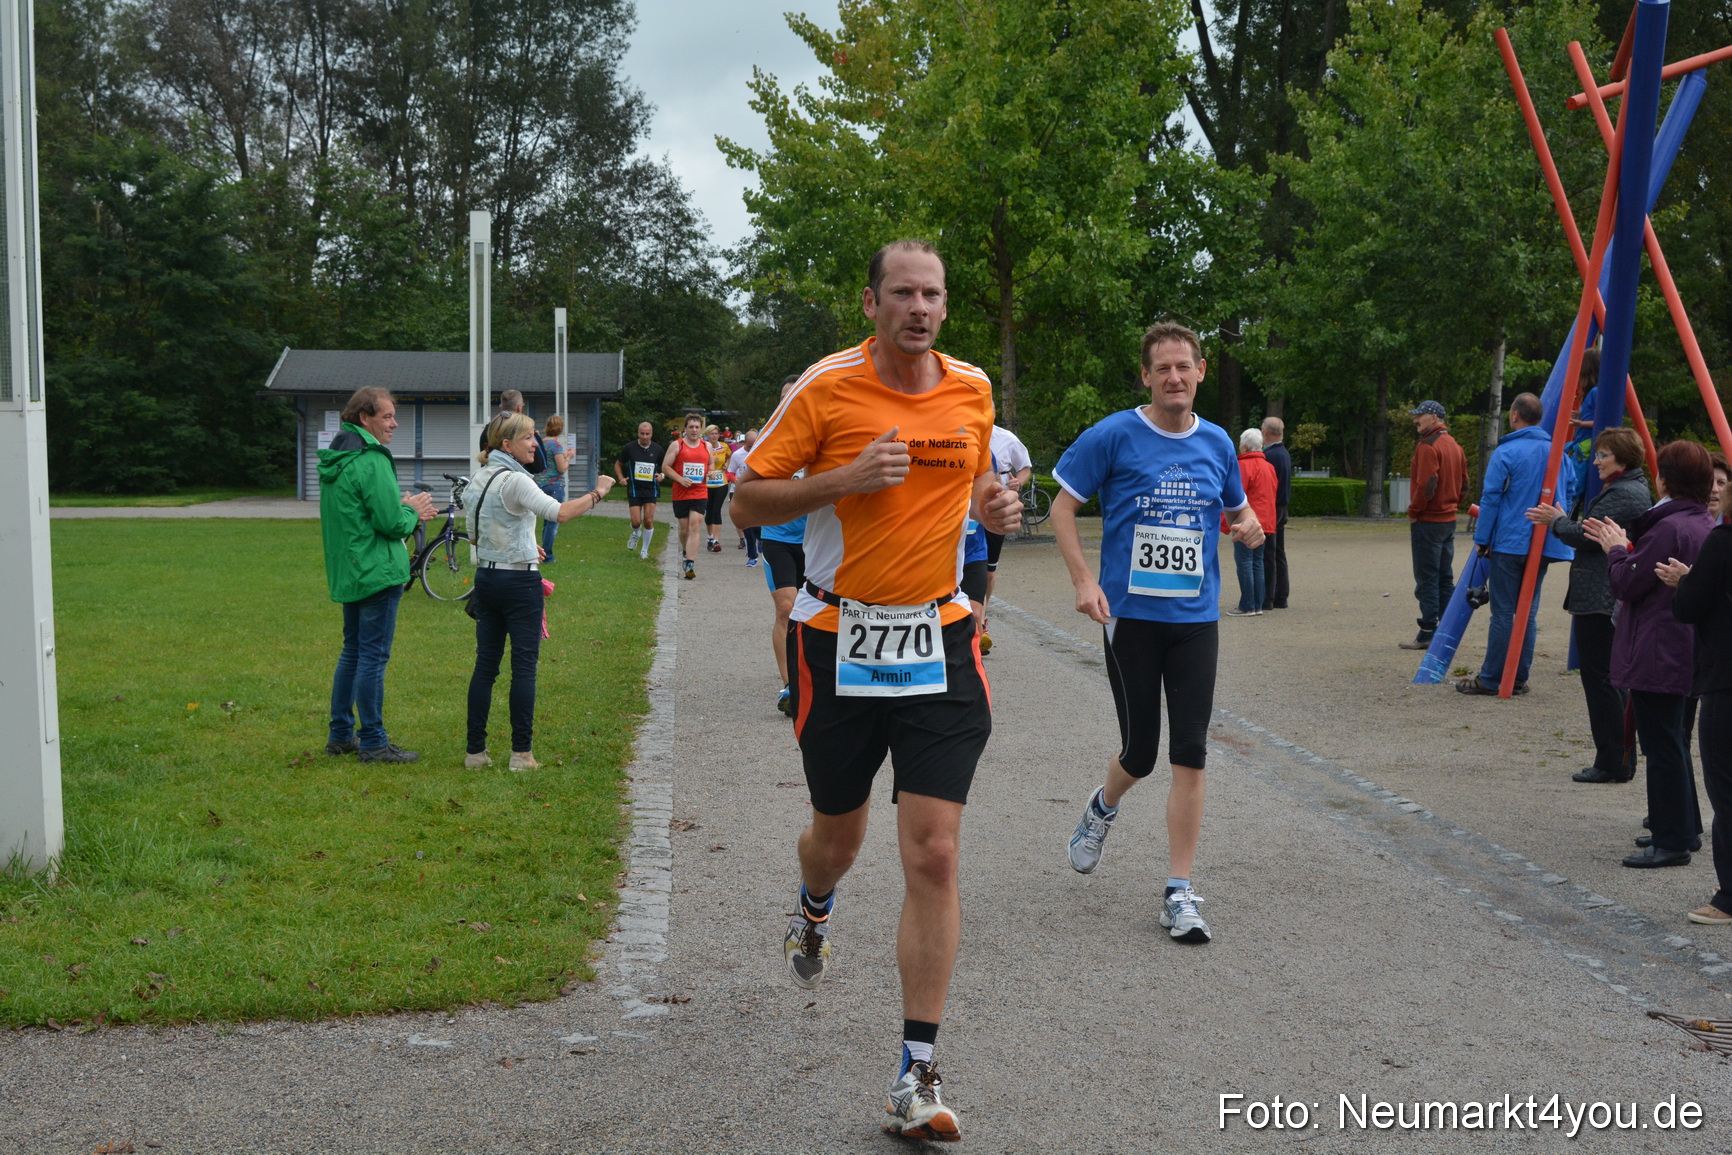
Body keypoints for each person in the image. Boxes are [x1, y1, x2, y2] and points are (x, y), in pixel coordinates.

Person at [731, 239, 1020, 1142]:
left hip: (939, 637)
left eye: (933, 293)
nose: (920, 308)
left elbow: (973, 479)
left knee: (933, 851)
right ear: (870, 302)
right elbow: (744, 502)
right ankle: (814, 905)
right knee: (838, 838)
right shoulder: (825, 388)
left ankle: (915, 1072)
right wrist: (845, 480)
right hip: (837, 642)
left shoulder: (971, 388)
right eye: (903, 293)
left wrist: (991, 508)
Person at [1051, 321, 1264, 948]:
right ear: (1147, 376)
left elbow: (1236, 510)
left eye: (1185, 366)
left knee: (1190, 752)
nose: (1175, 377)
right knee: (1140, 752)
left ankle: (1179, 890)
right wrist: (1085, 581)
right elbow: (1062, 507)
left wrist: (1249, 526)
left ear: (1200, 372)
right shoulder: (1115, 435)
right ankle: (1102, 808)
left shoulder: (1219, 442)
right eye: (1163, 368)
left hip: (1196, 622)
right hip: (1132, 623)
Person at [1584, 441, 1715, 868]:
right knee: (1673, 740)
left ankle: (1672, 838)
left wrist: (1617, 549)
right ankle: (1682, 826)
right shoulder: (1702, 523)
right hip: (1685, 646)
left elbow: (1627, 584)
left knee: (1661, 746)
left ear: (1664, 479)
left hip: (1660, 648)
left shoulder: (1669, 527)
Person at [464, 413, 615, 770]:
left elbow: (477, 538)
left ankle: (474, 753)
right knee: (523, 669)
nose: (536, 443)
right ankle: (521, 754)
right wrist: (599, 491)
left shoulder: (479, 477)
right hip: (518, 585)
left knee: (485, 667)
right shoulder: (515, 479)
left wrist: (527, 546)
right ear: (506, 445)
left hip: (486, 580)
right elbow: (559, 513)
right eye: (529, 437)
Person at [318, 387, 436, 763]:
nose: (394, 423)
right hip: (377, 570)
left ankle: (340, 734)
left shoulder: (338, 457)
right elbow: (389, 523)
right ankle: (373, 741)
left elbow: (361, 515)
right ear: (364, 418)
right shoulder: (371, 459)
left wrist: (401, 508)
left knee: (352, 651)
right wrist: (413, 511)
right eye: (387, 416)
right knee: (371, 657)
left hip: (351, 570)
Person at [1525, 427, 1650, 783]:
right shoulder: (1627, 489)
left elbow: (1587, 536)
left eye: (1603, 455)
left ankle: (1613, 761)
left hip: (1600, 598)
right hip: (1601, 595)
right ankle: (1617, 758)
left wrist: (1557, 522)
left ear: (1621, 459)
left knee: (1602, 682)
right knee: (1607, 681)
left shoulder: (1624, 493)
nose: (1596, 461)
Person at [1457, 393, 1572, 695]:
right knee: (1527, 612)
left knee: (1503, 612)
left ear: (1515, 416)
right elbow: (1570, 489)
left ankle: (1493, 677)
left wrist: (1482, 539)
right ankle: (1519, 676)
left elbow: (1491, 497)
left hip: (1511, 541)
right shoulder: (1558, 451)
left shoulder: (1507, 452)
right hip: (1545, 540)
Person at [1669, 472, 1732, 922]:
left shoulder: (1722, 541)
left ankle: (1728, 897)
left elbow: (1690, 607)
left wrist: (1686, 582)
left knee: (1726, 792)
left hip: (1726, 678)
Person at [751, 378, 809, 718]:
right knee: (786, 609)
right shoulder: (767, 441)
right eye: (785, 396)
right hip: (777, 538)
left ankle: (815, 675)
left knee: (817, 613)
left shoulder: (820, 436)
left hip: (816, 542)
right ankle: (790, 687)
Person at [1402, 401, 1466, 650]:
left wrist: (1414, 511)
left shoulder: (1428, 446)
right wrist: (1454, 505)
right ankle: (1448, 630)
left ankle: (1428, 631)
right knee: (1444, 577)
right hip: (1448, 519)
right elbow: (1465, 484)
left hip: (1428, 521)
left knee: (1427, 578)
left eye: (1420, 415)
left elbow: (1426, 484)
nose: (1415, 419)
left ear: (1435, 417)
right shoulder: (1455, 446)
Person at [980, 424, 1033, 650]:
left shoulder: (1006, 438)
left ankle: (982, 617)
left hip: (995, 512)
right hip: (964, 511)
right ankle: (974, 624)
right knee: (964, 566)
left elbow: (1025, 467)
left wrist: (1017, 482)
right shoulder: (956, 430)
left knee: (989, 573)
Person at [1225, 427, 1276, 617]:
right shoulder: (1269, 467)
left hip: (1247, 522)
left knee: (1245, 562)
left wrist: (1225, 524)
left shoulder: (1243, 466)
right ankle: (1257, 604)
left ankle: (1247, 605)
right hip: (1266, 522)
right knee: (1257, 563)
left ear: (1245, 447)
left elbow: (1234, 497)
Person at [662, 414, 711, 579]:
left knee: (695, 526)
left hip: (700, 491)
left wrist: (710, 471)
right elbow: (665, 467)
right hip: (681, 492)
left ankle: (690, 563)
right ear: (685, 428)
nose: (694, 430)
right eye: (691, 427)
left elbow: (710, 463)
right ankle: (685, 552)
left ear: (701, 429)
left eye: (697, 427)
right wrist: (680, 479)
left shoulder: (707, 446)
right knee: (684, 529)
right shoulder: (677, 445)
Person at [614, 422, 664, 560]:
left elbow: (665, 466)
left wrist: (662, 475)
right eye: (642, 433)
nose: (645, 437)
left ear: (651, 434)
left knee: (648, 520)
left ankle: (644, 550)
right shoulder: (630, 448)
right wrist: (621, 478)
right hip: (635, 489)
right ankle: (636, 533)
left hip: (651, 489)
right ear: (638, 433)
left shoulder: (658, 449)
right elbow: (618, 464)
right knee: (636, 522)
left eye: (647, 434)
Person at [1259, 416, 1292, 610]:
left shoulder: (1270, 456)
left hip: (1273, 508)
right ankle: (1281, 596)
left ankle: (1268, 597)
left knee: (1269, 554)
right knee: (1278, 552)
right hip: (1282, 507)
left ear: (1265, 433)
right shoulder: (1284, 453)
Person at [475, 389, 546, 474]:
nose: (534, 443)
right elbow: (540, 466)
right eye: (528, 438)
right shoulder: (525, 429)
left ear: (501, 407)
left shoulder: (490, 429)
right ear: (519, 408)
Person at [537, 415, 570, 563]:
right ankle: (548, 555)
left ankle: (543, 552)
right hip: (555, 485)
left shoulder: (539, 444)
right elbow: (561, 468)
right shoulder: (556, 446)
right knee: (552, 521)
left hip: (542, 484)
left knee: (546, 521)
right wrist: (569, 456)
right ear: (560, 429)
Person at [727, 429, 760, 563]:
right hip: (742, 492)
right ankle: (752, 555)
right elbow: (729, 473)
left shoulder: (762, 453)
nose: (753, 448)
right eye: (750, 446)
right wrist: (737, 481)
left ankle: (761, 540)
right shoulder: (737, 455)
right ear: (744, 443)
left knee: (759, 523)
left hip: (758, 492)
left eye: (755, 445)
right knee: (746, 524)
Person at [704, 424, 730, 553]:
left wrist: (726, 464)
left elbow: (729, 456)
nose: (714, 436)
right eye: (711, 434)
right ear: (707, 436)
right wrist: (709, 461)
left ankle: (716, 540)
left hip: (721, 483)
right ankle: (709, 537)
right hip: (707, 484)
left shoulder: (724, 446)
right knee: (708, 511)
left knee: (716, 510)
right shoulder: (703, 446)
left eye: (716, 433)